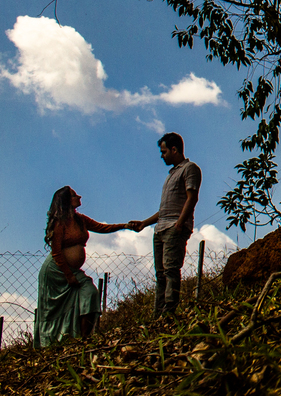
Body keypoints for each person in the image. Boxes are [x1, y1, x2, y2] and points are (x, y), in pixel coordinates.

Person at [35, 186, 136, 347]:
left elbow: (101, 227)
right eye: (74, 195)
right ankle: (52, 342)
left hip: (71, 270)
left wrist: (125, 226)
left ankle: (84, 340)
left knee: (90, 293)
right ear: (67, 201)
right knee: (54, 309)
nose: (79, 197)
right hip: (57, 271)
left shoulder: (80, 219)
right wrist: (68, 275)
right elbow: (56, 252)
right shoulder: (60, 223)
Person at [131, 132, 201, 318]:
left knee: (171, 270)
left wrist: (179, 224)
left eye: (164, 152)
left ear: (174, 149)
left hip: (173, 228)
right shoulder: (171, 174)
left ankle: (169, 313)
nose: (162, 156)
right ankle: (158, 316)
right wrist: (145, 223)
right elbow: (165, 210)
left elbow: (192, 197)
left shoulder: (190, 168)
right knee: (161, 274)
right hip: (161, 229)